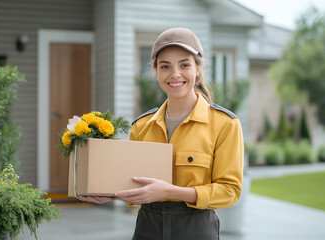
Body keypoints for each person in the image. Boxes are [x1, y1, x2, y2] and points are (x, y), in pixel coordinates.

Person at [81, 27, 244, 240]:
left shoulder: (225, 124)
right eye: (165, 66)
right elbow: (134, 184)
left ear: (197, 69)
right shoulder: (142, 125)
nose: (175, 74)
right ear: (156, 71)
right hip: (147, 229)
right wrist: (111, 193)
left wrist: (170, 192)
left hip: (196, 229)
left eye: (184, 64)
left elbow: (229, 191)